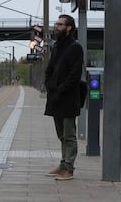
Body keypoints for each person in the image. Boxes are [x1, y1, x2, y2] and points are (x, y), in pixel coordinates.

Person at [44, 14, 84, 181]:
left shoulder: (75, 47)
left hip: (68, 98)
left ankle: (69, 168)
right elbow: (50, 69)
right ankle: (63, 164)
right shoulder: (56, 47)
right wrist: (49, 85)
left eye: (61, 25)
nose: (57, 27)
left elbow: (75, 74)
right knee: (61, 134)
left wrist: (61, 89)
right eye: (57, 24)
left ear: (69, 28)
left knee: (69, 134)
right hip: (55, 97)